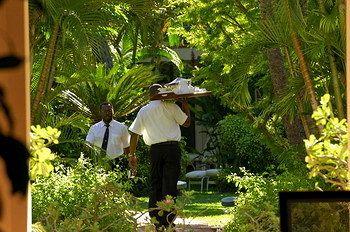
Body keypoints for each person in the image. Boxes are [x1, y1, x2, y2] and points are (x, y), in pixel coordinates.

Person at [128, 84, 190, 231]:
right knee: (170, 184)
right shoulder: (171, 106)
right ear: (162, 93)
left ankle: (156, 220)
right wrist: (185, 104)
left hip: (155, 150)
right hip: (172, 149)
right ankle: (168, 220)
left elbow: (134, 133)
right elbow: (187, 123)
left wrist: (132, 154)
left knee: (156, 183)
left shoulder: (144, 110)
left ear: (150, 95)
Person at [86, 102, 130, 169]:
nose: (107, 113)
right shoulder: (94, 128)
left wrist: (129, 162)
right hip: (98, 162)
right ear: (101, 112)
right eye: (105, 111)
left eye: (109, 111)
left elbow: (127, 147)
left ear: (113, 111)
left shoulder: (122, 127)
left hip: (118, 163)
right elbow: (88, 145)